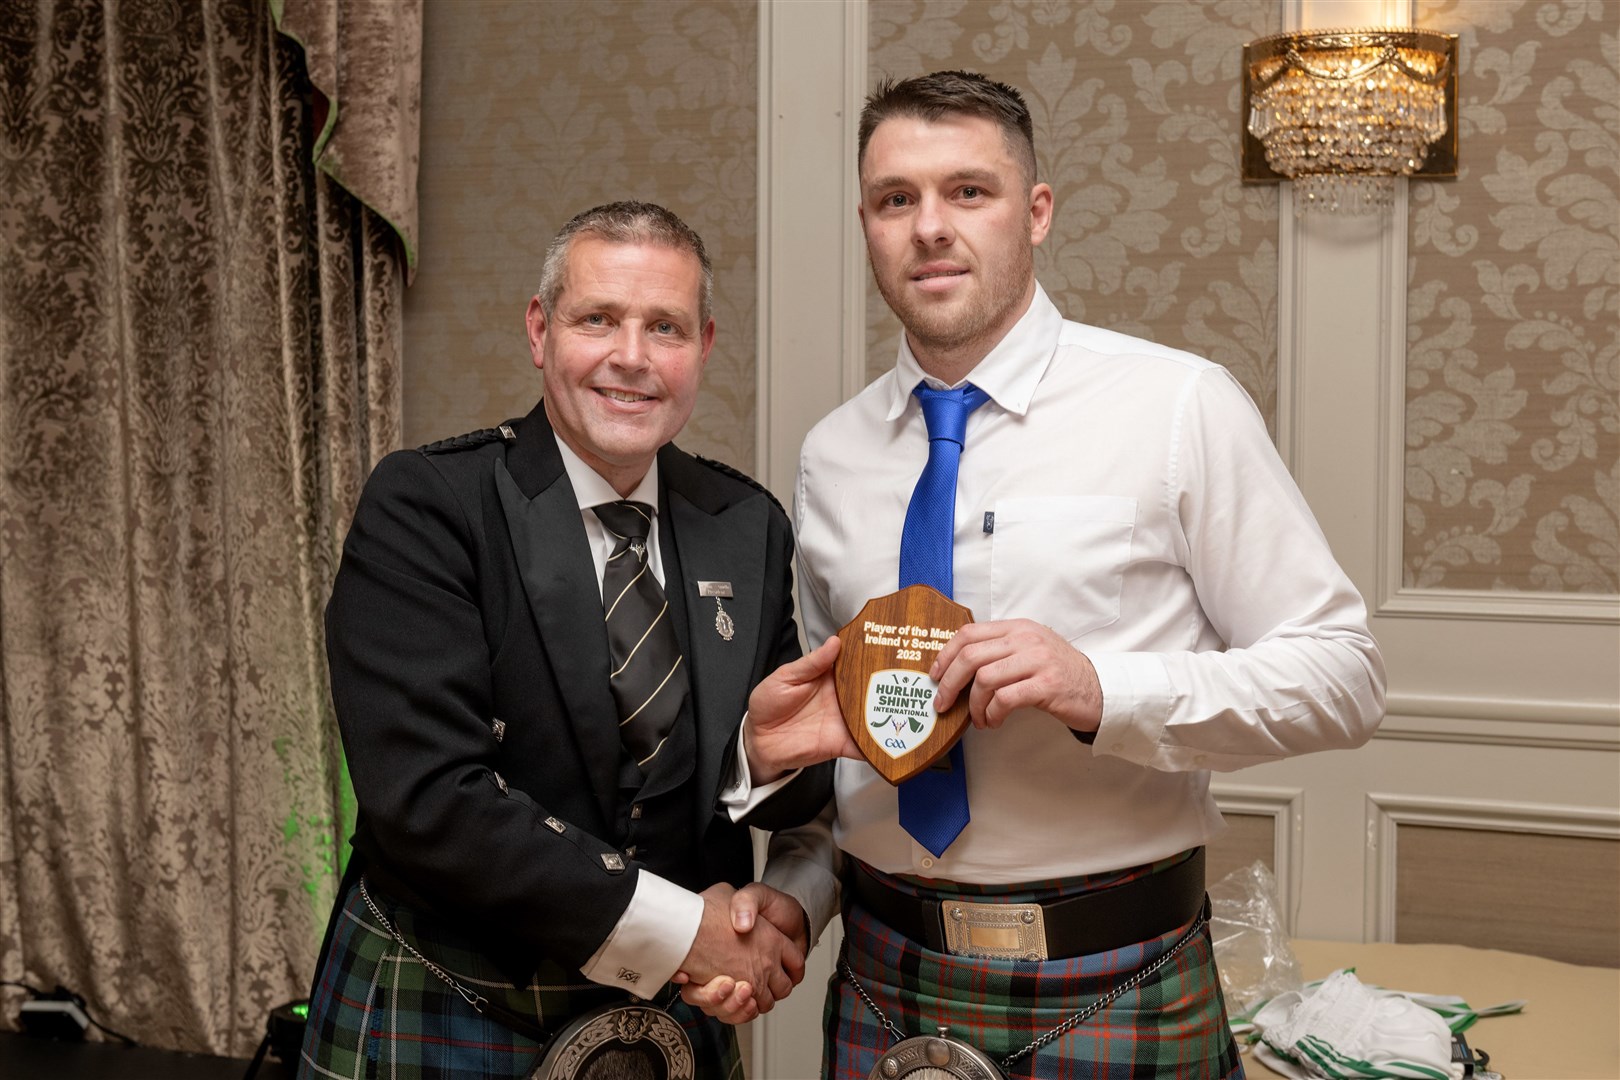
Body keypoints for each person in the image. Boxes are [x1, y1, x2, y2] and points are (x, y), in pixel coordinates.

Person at [690, 71, 1386, 1078]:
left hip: (1120, 973)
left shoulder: (1177, 405)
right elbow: (860, 754)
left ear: (1037, 212)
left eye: (968, 191)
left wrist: (1105, 689)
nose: (930, 226)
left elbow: (1344, 678)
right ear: (867, 224)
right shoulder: (831, 454)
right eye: (897, 199)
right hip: (886, 980)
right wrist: (795, 889)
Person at [298, 201, 840, 1080]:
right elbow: (429, 801)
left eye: (663, 327)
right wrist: (685, 934)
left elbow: (775, 799)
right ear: (540, 332)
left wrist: (760, 759)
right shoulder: (430, 505)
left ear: (702, 348)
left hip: (666, 1022)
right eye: (599, 320)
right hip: (453, 997)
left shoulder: (747, 524)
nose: (632, 356)